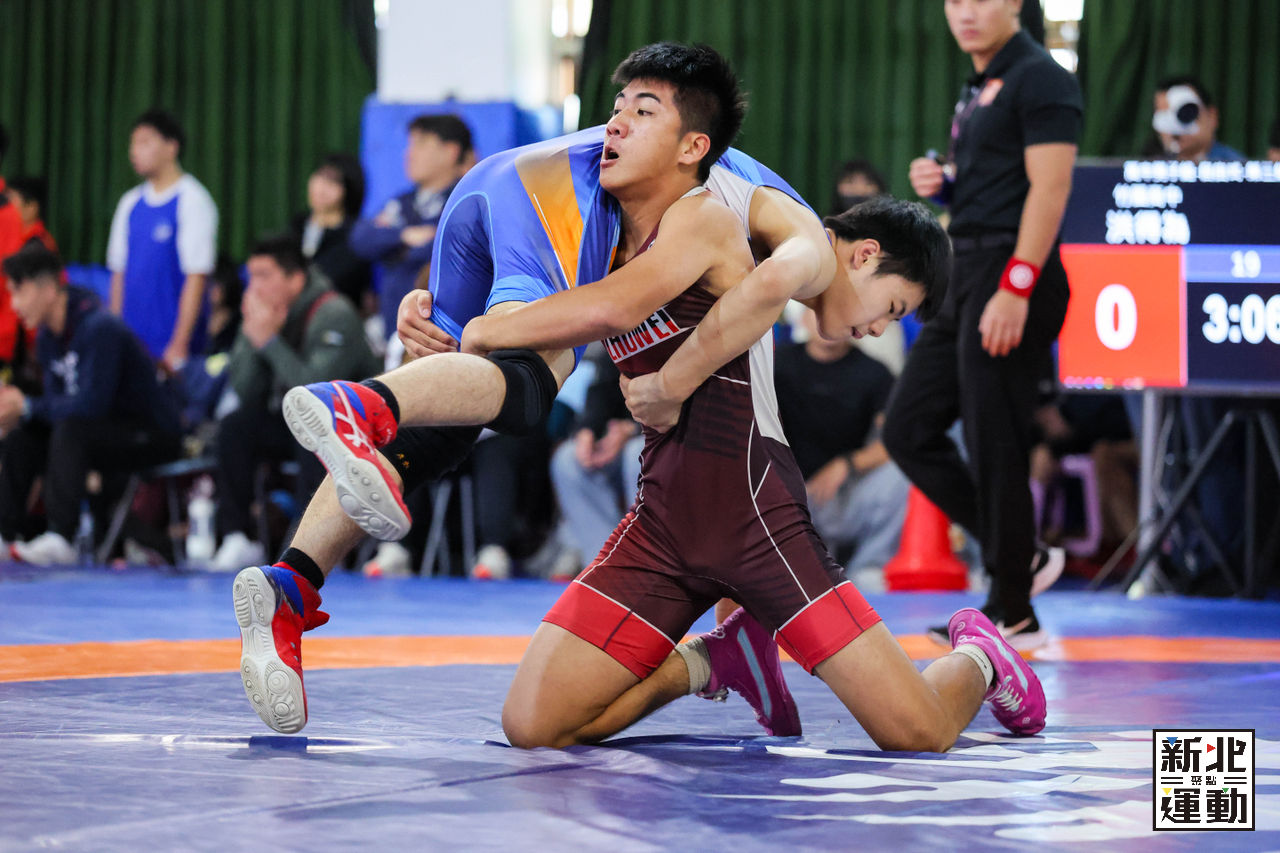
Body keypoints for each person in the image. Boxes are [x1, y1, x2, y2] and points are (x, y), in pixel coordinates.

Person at [254, 45, 1044, 754]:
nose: (876, 328)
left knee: (916, 729)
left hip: (753, 515)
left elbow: (652, 302)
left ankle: (980, 653)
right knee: (533, 721)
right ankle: (709, 660)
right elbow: (624, 302)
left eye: (639, 113)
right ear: (866, 254)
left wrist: (660, 379)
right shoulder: (626, 209)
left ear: (691, 145)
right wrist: (454, 326)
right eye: (892, 308)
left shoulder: (728, 219)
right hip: (662, 515)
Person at [886, 0, 1080, 651]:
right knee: (908, 427)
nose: (966, 12)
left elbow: (1050, 189)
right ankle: (1020, 555)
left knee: (995, 438)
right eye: (956, 0)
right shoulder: (980, 85)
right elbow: (998, 185)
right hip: (965, 269)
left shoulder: (1041, 76)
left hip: (1011, 271)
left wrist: (1017, 285)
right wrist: (946, 186)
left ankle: (1013, 609)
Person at [0, 245, 183, 564]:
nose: (14, 304)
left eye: (19, 292)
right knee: (23, 437)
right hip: (99, 433)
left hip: (151, 433)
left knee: (69, 429)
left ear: (48, 288)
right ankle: (5, 534)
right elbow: (57, 406)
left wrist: (27, 406)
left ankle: (62, 536)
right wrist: (18, 413)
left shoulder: (100, 328)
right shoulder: (47, 338)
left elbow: (90, 405)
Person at [209, 235, 381, 571]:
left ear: (296, 279)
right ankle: (237, 537)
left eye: (264, 276)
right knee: (235, 426)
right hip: (295, 423)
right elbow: (247, 392)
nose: (254, 286)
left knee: (315, 433)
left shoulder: (334, 312)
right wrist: (253, 338)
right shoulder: (266, 313)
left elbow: (318, 396)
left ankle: (311, 547)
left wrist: (269, 342)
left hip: (350, 428)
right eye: (251, 276)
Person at [775, 307, 909, 572]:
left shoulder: (874, 373)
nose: (828, 320)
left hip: (844, 495)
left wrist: (847, 464)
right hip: (780, 494)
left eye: (838, 312)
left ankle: (869, 569)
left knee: (901, 475)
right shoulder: (777, 364)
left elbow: (898, 439)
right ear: (803, 319)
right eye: (817, 311)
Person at [107, 109, 218, 371]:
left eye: (145, 142)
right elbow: (118, 273)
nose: (134, 151)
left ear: (171, 147)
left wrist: (179, 344)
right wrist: (114, 337)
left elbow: (196, 277)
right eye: (133, 143)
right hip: (131, 344)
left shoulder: (193, 200)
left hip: (172, 351)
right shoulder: (130, 203)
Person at [350, 114, 473, 345]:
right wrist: (404, 236)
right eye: (410, 144)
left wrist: (391, 250)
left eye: (421, 144)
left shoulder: (465, 201)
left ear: (451, 151)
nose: (409, 154)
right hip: (394, 332)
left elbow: (438, 250)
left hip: (442, 337)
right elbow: (361, 239)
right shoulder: (402, 203)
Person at [548, 345, 643, 575]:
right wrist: (587, 431)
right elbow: (600, 389)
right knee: (568, 458)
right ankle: (604, 565)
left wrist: (634, 428)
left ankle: (646, 560)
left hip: (660, 434)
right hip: (615, 438)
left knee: (639, 454)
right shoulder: (619, 339)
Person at [288, 154, 372, 314]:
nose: (322, 187)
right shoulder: (296, 226)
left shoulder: (355, 238)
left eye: (333, 181)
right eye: (320, 176)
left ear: (349, 189)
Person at [1150, 76, 1245, 163]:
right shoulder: (1150, 167)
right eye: (1163, 115)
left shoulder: (1238, 168)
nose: (1173, 124)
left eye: (1186, 112)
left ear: (1212, 116)